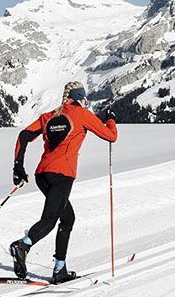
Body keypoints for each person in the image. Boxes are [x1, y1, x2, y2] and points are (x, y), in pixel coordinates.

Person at [9, 81, 117, 284]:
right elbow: (111, 137)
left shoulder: (49, 116)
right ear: (80, 98)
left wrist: (18, 166)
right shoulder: (83, 115)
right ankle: (22, 246)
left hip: (42, 175)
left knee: (67, 218)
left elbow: (24, 135)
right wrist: (110, 120)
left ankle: (60, 269)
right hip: (62, 175)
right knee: (50, 220)